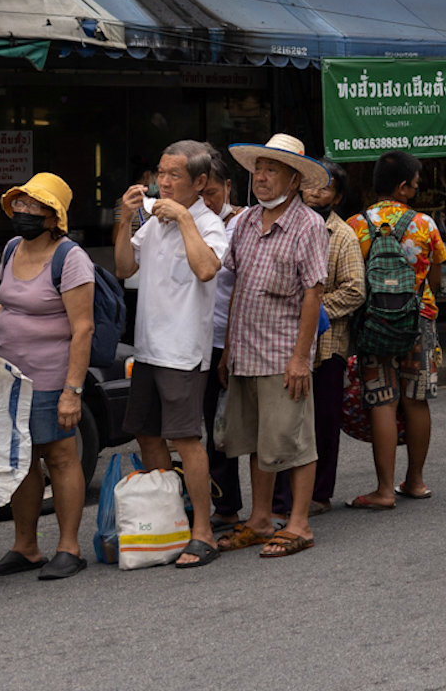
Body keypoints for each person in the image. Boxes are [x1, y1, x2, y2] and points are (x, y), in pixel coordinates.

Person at [0, 173, 94, 582]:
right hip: (9, 378)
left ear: (53, 216)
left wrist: (72, 391)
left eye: (34, 206)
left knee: (59, 456)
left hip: (51, 378)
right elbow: (8, 307)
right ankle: (26, 547)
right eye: (19, 204)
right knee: (22, 462)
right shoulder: (11, 248)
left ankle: (69, 547)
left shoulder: (70, 258)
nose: (23, 212)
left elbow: (83, 328)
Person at [110, 142, 233, 569]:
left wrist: (183, 218)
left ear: (200, 182)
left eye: (174, 175)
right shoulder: (154, 221)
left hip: (183, 351)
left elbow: (205, 270)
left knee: (185, 438)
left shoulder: (208, 223)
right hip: (148, 346)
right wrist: (125, 220)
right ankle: (172, 522)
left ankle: (204, 532)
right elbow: (125, 268)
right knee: (147, 435)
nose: (162, 182)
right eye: (160, 173)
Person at [216, 135, 327, 558]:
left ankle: (299, 524)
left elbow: (313, 294)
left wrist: (301, 358)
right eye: (258, 169)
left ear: (294, 180)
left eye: (272, 170)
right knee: (257, 440)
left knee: (294, 441)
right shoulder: (244, 222)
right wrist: (227, 350)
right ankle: (260, 519)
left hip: (284, 354)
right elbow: (237, 289)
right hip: (245, 351)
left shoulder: (308, 225)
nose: (260, 178)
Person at [344, 152, 446, 508]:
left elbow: (353, 280)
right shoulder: (424, 225)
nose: (417, 190)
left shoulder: (355, 225)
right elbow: (435, 279)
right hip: (419, 318)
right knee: (415, 399)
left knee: (382, 402)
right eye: (416, 184)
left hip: (374, 322)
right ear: (403, 187)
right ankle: (415, 481)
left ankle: (384, 490)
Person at [293, 158, 364, 516]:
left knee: (324, 422)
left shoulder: (344, 235)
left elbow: (354, 290)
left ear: (336, 195)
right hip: (289, 344)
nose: (315, 192)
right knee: (292, 422)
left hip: (328, 347)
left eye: (325, 187)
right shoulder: (292, 227)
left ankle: (320, 493)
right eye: (310, 184)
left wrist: (315, 310)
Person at [201, 148, 248, 527]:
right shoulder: (191, 222)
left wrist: (229, 350)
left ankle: (277, 506)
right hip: (200, 341)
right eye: (200, 193)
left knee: (255, 426)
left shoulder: (244, 224)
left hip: (238, 341)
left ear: (228, 186)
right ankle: (226, 506)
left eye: (212, 192)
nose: (206, 201)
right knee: (214, 430)